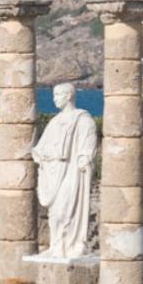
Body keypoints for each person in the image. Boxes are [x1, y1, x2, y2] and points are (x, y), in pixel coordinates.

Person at [31, 83, 97, 259]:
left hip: (72, 171)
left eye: (58, 95)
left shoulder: (82, 119)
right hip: (53, 172)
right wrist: (39, 154)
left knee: (66, 210)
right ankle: (57, 246)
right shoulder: (54, 121)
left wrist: (85, 158)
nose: (54, 99)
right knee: (54, 214)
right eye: (54, 95)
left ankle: (74, 244)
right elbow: (41, 147)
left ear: (69, 96)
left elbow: (88, 143)